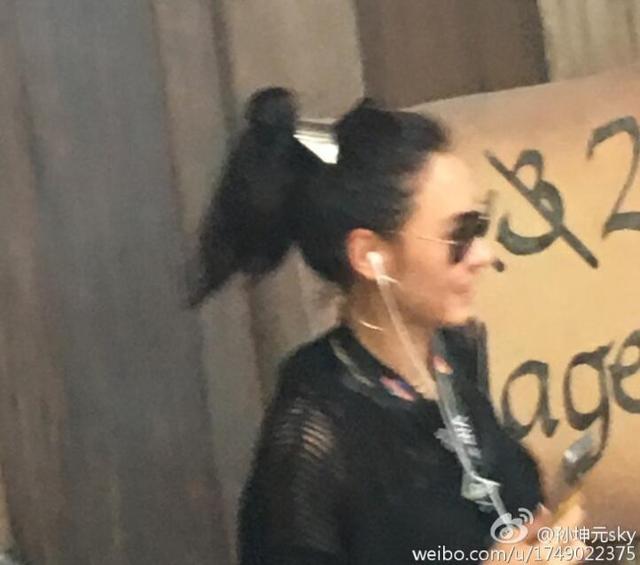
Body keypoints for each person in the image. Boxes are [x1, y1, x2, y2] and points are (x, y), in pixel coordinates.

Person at [192, 88, 586, 565]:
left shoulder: (453, 356)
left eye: (479, 229)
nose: (484, 256)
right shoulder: (316, 429)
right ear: (370, 255)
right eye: (458, 236)